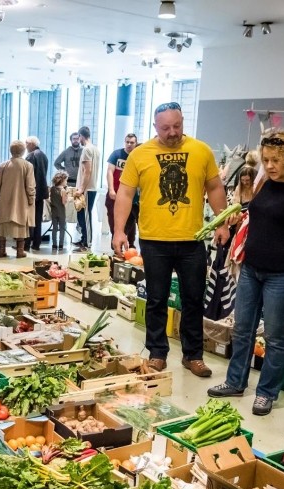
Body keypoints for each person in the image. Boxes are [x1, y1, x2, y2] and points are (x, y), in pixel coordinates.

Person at [207, 129, 284, 416]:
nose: (269, 165)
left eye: (276, 160)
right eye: (266, 159)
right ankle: (235, 381)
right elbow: (259, 218)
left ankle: (266, 392)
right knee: (243, 329)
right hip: (252, 268)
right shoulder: (265, 184)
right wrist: (238, 218)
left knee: (275, 336)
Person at [113, 101, 230, 380]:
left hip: (193, 240)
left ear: (183, 123)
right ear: (155, 127)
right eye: (165, 128)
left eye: (177, 126)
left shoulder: (201, 151)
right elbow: (125, 194)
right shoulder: (140, 155)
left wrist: (222, 221)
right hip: (154, 240)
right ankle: (156, 353)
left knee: (193, 299)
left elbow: (214, 187)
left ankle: (193, 356)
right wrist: (119, 231)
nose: (172, 132)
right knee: (156, 299)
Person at [0, 140, 35, 259]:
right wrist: (31, 199)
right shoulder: (28, 166)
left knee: (3, 226)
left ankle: (1, 250)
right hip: (21, 202)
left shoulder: (3, 165)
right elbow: (30, 186)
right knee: (21, 226)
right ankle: (20, 251)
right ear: (23, 151)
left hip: (4, 202)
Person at [105, 133, 138, 248]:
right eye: (127, 142)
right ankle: (116, 244)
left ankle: (131, 244)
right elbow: (110, 171)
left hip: (133, 196)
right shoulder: (117, 154)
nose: (129, 144)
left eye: (132, 142)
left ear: (136, 143)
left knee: (131, 221)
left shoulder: (137, 155)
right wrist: (111, 190)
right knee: (114, 221)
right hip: (115, 194)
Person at [74, 126, 101, 252]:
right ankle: (84, 238)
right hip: (90, 188)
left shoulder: (87, 150)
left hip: (87, 189)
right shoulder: (95, 149)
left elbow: (87, 171)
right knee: (82, 215)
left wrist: (81, 189)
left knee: (85, 216)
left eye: (78, 137)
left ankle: (87, 242)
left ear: (81, 136)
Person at [24, 136, 49, 251]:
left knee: (28, 218)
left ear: (32, 144)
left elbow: (27, 175)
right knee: (37, 218)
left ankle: (26, 244)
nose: (25, 146)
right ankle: (36, 244)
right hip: (42, 191)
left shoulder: (30, 156)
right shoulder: (44, 155)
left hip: (32, 191)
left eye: (27, 144)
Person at [49, 171, 68, 251]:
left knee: (54, 229)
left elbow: (50, 199)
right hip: (61, 211)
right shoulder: (63, 190)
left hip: (54, 211)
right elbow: (63, 202)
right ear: (62, 180)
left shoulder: (52, 189)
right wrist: (66, 197)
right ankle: (61, 245)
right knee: (62, 228)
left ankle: (54, 245)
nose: (66, 182)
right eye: (66, 180)